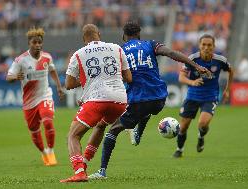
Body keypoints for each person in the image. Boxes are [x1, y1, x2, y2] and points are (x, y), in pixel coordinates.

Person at [88, 21, 212, 179]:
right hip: (160, 98)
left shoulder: (119, 51)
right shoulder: (150, 44)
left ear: (123, 36)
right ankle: (138, 132)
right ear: (139, 34)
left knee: (112, 131)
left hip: (138, 100)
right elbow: (171, 53)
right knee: (148, 109)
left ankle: (102, 171)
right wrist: (195, 66)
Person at [60, 24, 132, 183]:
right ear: (99, 34)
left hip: (97, 100)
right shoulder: (116, 48)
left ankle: (79, 172)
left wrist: (88, 80)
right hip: (120, 100)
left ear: (83, 38)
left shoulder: (78, 54)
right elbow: (129, 78)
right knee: (100, 125)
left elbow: (69, 84)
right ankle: (85, 162)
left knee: (73, 135)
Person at [6, 27, 64, 166]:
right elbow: (8, 77)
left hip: (45, 95)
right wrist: (15, 77)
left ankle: (51, 151)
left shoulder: (47, 57)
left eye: (39, 42)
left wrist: (58, 86)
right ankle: (44, 152)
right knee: (34, 130)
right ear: (29, 43)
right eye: (34, 42)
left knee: (48, 121)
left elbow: (53, 70)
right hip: (29, 101)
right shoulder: (21, 60)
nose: (37, 45)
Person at [173, 34, 234, 158]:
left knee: (203, 123)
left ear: (214, 46)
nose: (206, 47)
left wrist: (227, 90)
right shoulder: (192, 59)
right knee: (183, 126)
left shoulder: (220, 60)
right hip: (192, 96)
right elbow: (181, 77)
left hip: (210, 97)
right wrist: (192, 82)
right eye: (204, 45)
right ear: (199, 46)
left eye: (209, 45)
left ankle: (201, 137)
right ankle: (179, 149)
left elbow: (231, 70)